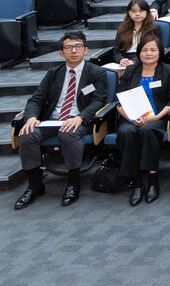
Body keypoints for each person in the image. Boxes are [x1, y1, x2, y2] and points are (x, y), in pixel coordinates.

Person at [14, 31, 107, 209]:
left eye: (78, 46)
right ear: (61, 53)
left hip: (79, 121)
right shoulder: (53, 73)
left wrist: (80, 117)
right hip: (53, 120)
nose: (74, 50)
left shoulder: (97, 73)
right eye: (69, 47)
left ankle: (73, 183)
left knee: (68, 133)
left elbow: (98, 100)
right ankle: (34, 186)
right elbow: (36, 99)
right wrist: (31, 117)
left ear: (85, 50)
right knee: (27, 134)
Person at [115, 36, 170, 206]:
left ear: (160, 52)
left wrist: (156, 117)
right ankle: (136, 181)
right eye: (144, 50)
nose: (148, 53)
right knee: (126, 132)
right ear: (139, 52)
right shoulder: (130, 71)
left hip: (156, 116)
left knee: (147, 130)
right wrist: (131, 118)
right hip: (131, 117)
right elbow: (118, 102)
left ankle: (152, 179)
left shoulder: (168, 71)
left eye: (153, 50)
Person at [113, 0, 158, 66]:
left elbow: (157, 50)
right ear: (129, 13)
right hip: (126, 59)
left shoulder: (154, 28)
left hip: (146, 59)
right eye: (133, 11)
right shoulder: (122, 29)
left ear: (147, 12)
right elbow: (117, 51)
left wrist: (134, 61)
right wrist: (121, 60)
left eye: (141, 11)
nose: (137, 14)